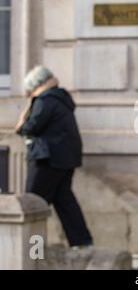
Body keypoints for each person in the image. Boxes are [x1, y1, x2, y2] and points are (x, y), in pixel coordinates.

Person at [15, 66, 93, 248]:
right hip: (65, 159)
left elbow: (28, 127)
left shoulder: (45, 100)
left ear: (36, 85)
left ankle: (31, 250)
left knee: (32, 203)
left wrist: (24, 114)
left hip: (47, 160)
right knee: (65, 201)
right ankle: (83, 243)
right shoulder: (61, 98)